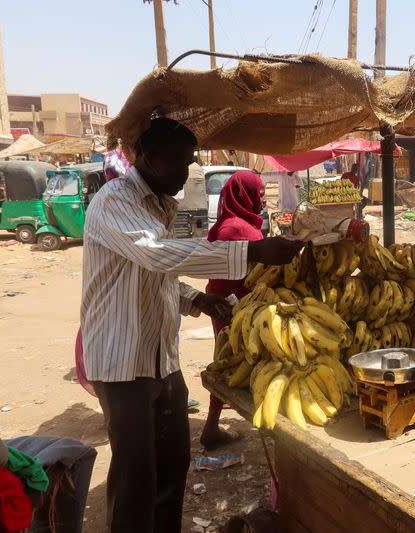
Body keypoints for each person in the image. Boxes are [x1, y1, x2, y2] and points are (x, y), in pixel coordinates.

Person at [81, 117, 303, 532]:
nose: (186, 173)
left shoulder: (162, 203)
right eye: (179, 162)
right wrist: (253, 251)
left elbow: (154, 274)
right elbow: (160, 254)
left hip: (161, 358)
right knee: (135, 476)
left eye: (191, 162)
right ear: (147, 156)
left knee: (173, 466)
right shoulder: (115, 201)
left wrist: (197, 298)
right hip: (121, 361)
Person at [200, 170, 265, 449]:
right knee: (232, 363)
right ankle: (213, 428)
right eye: (258, 194)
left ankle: (213, 426)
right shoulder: (234, 228)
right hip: (232, 308)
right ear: (243, 195)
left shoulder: (233, 222)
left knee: (232, 362)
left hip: (235, 303)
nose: (262, 200)